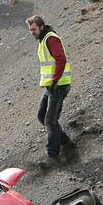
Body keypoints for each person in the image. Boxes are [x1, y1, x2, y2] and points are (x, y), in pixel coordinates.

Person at [27, 15, 74, 165]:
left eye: (34, 29)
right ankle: (66, 142)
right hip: (51, 85)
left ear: (41, 27)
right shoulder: (43, 40)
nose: (32, 32)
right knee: (42, 116)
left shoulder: (51, 39)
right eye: (30, 30)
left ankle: (52, 155)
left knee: (50, 120)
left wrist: (55, 80)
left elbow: (61, 59)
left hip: (58, 85)